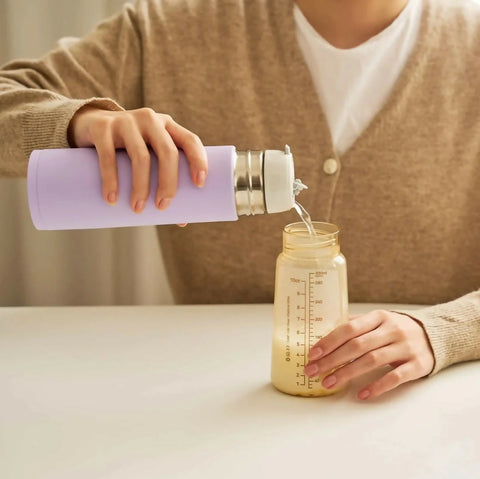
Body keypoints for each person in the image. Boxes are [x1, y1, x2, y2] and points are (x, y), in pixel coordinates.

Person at [0, 0, 479, 400]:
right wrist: (79, 122)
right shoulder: (166, 29)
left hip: (415, 408)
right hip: (201, 403)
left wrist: (443, 330)